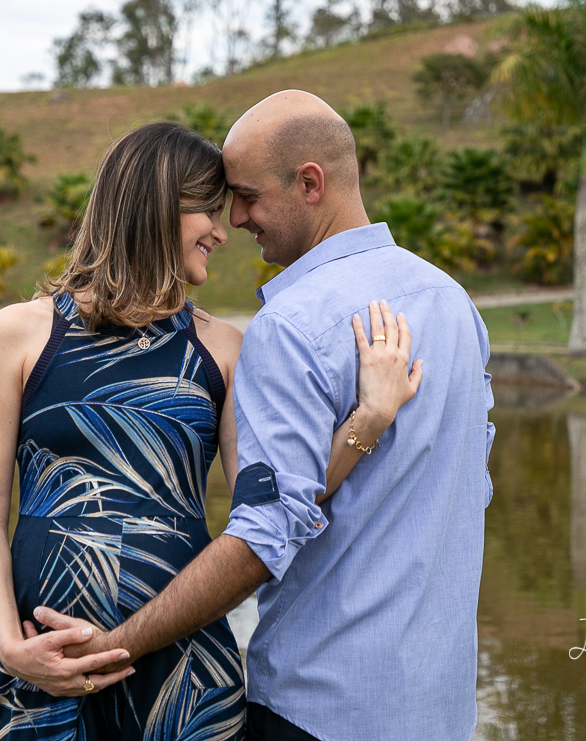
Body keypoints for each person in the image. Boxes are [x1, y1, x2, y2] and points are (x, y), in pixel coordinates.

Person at [36, 91, 495, 741]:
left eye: (246, 196)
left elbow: (260, 537)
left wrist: (120, 646)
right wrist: (363, 428)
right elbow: (471, 488)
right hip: (440, 709)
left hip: (321, 707)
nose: (237, 219)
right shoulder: (454, 304)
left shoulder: (293, 322)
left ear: (310, 182)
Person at [0, 120, 423, 740]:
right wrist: (7, 643)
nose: (223, 229)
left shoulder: (224, 349)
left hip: (185, 677)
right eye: (207, 208)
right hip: (44, 673)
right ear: (152, 206)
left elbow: (279, 504)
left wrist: (369, 419)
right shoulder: (19, 334)